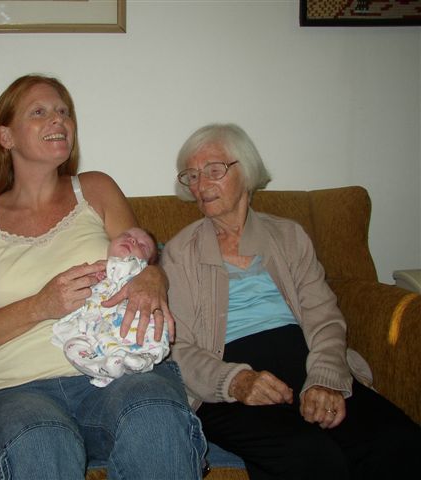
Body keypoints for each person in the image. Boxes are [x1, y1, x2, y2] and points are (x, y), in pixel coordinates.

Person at [0, 74, 207, 479]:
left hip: (115, 375)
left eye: (64, 111)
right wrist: (40, 306)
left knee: (156, 415)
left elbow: (142, 263)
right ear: (5, 136)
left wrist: (153, 277)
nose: (58, 120)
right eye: (39, 112)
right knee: (42, 442)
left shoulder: (95, 189)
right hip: (12, 390)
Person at [161, 123, 421, 479]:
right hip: (227, 379)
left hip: (305, 360)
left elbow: (323, 316)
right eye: (191, 175)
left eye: (213, 170)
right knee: (311, 457)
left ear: (246, 170)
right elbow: (176, 345)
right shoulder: (180, 252)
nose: (200, 184)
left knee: (399, 442)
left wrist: (325, 378)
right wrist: (234, 381)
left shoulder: (288, 235)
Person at [52, 227, 170, 387]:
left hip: (129, 325)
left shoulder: (139, 270)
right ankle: (102, 367)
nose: (132, 240)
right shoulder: (92, 271)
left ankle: (143, 358)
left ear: (148, 263)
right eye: (126, 235)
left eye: (142, 246)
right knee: (71, 346)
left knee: (153, 328)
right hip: (95, 330)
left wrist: (109, 266)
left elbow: (127, 269)